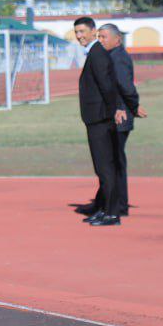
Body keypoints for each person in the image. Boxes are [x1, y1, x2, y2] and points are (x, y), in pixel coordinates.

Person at [72, 17, 123, 227]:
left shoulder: (97, 54)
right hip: (97, 117)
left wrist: (115, 110)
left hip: (101, 118)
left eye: (83, 31)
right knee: (102, 167)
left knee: (105, 167)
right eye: (76, 32)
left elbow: (107, 85)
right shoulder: (94, 53)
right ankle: (104, 208)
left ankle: (111, 213)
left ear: (94, 31)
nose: (79, 36)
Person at [96, 24, 146, 218]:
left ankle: (117, 205)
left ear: (117, 39)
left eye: (104, 37)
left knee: (115, 162)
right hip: (118, 113)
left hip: (121, 115)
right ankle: (108, 203)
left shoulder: (118, 58)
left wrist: (133, 106)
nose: (100, 40)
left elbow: (125, 87)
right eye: (99, 37)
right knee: (112, 161)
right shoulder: (112, 57)